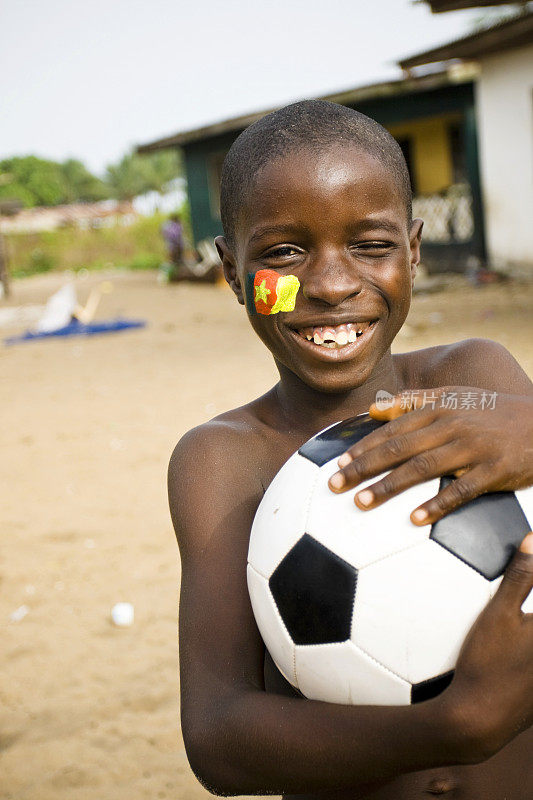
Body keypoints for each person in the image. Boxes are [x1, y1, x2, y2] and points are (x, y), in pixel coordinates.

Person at [168, 101, 533, 799]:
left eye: (370, 245)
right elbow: (217, 737)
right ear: (232, 271)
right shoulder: (224, 462)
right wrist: (455, 727)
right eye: (281, 252)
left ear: (414, 249)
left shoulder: (477, 381)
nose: (332, 285)